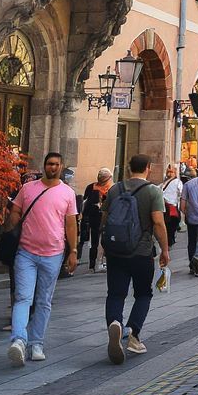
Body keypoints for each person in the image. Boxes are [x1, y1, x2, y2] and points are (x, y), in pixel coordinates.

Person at [5, 151, 78, 367]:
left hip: (53, 254)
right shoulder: (28, 188)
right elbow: (16, 211)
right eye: (49, 164)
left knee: (44, 301)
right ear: (44, 165)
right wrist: (11, 223)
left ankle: (36, 343)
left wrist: (73, 251)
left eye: (56, 164)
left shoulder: (67, 193)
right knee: (23, 298)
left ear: (61, 166)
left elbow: (71, 224)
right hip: (26, 252)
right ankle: (18, 340)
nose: (52, 167)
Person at [102, 154, 170, 363]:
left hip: (116, 252)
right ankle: (133, 332)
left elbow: (105, 220)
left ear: (129, 167)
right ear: (149, 168)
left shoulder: (115, 189)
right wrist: (165, 250)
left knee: (115, 294)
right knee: (143, 294)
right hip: (141, 252)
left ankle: (115, 323)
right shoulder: (152, 191)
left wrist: (104, 247)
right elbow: (158, 223)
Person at [78, 168, 112, 273]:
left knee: (97, 241)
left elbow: (85, 202)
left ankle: (96, 263)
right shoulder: (111, 188)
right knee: (96, 241)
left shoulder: (94, 187)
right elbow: (85, 203)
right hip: (96, 218)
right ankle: (95, 263)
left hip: (97, 217)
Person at [161, 164, 183, 247]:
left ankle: (169, 241)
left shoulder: (178, 182)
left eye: (171, 172)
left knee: (170, 226)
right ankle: (169, 241)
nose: (169, 174)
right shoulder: (163, 182)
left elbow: (181, 194)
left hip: (172, 208)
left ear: (175, 173)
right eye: (168, 172)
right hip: (164, 207)